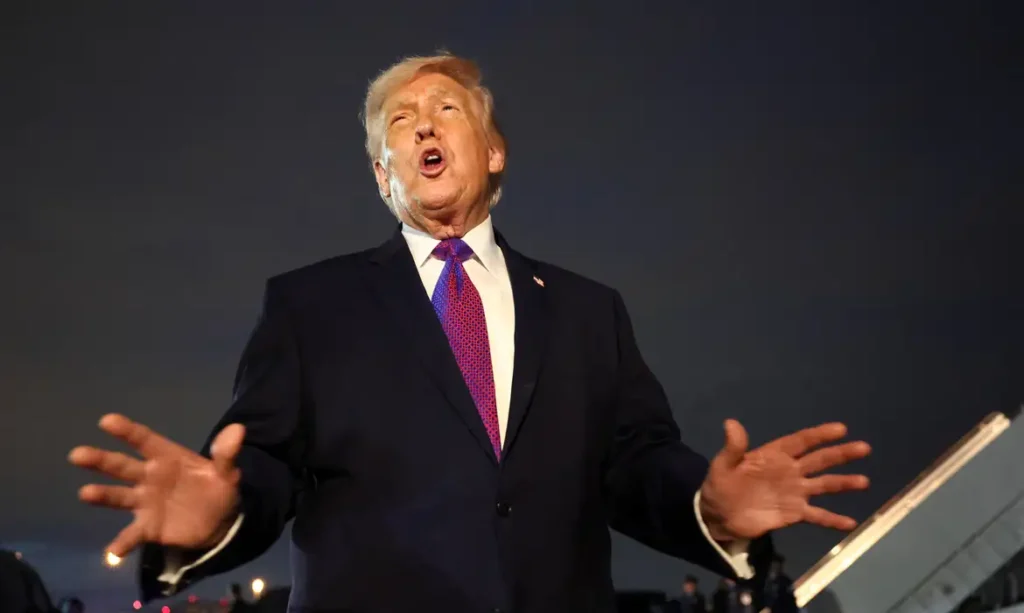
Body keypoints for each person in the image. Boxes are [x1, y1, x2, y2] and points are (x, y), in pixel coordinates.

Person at [68, 53, 871, 612]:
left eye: (445, 109)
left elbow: (636, 461)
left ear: (492, 153)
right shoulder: (309, 305)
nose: (423, 125)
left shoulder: (589, 311)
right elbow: (265, 463)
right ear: (383, 174)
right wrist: (221, 514)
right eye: (400, 121)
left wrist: (708, 506)